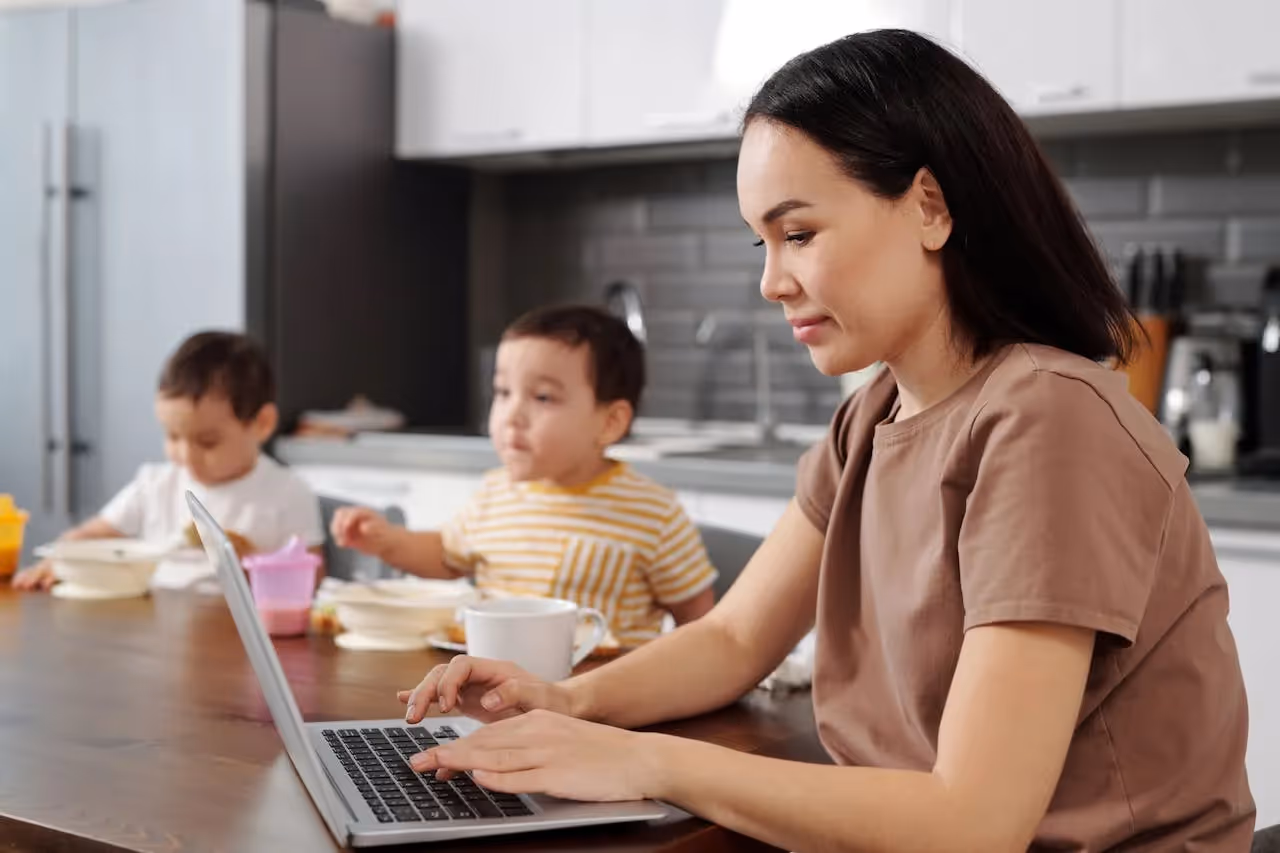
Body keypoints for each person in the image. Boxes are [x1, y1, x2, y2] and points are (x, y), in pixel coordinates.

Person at [391, 30, 1255, 852]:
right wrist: (568, 698)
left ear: (929, 206)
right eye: (761, 241)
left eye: (797, 233)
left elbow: (972, 822)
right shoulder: (875, 412)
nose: (771, 281)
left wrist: (646, 761)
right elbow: (734, 640)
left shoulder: (1050, 421)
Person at [331, 305, 717, 646]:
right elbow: (447, 557)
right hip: (493, 690)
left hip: (602, 700)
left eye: (543, 397)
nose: (511, 415)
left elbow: (700, 623)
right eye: (502, 392)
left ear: (610, 422)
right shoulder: (494, 493)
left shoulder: (654, 513)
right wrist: (388, 541)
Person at [14, 331, 324, 590]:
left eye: (207, 442)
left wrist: (247, 559)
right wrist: (62, 556)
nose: (185, 456)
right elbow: (93, 534)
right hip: (155, 625)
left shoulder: (287, 492)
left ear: (262, 423)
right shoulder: (156, 484)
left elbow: (311, 583)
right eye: (173, 437)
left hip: (237, 640)